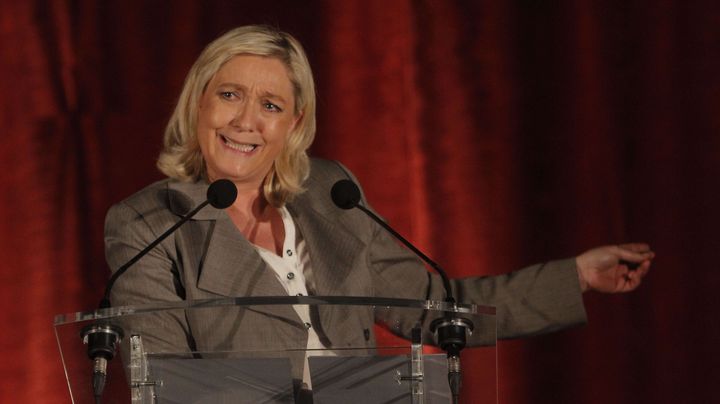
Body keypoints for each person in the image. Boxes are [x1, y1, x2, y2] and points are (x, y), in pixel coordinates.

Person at [104, 25, 653, 399]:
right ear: (198, 101)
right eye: (229, 95)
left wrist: (576, 276)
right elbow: (166, 387)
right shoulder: (149, 222)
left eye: (270, 105)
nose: (247, 121)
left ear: (294, 123)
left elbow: (435, 305)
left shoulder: (328, 191)